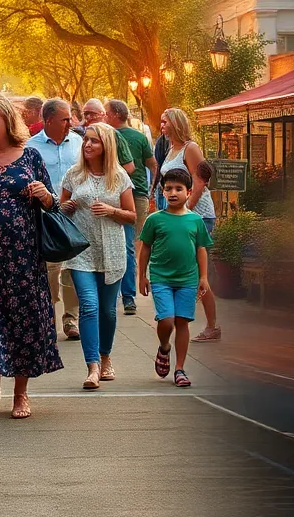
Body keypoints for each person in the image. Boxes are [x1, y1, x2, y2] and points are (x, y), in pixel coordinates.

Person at [0, 92, 63, 420]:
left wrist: (46, 196)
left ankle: (21, 393)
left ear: (7, 120)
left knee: (26, 324)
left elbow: (53, 206)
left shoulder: (30, 157)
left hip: (25, 258)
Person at [59, 123, 135, 388]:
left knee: (108, 312)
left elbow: (132, 215)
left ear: (106, 146)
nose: (87, 145)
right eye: (86, 140)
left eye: (94, 141)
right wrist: (65, 207)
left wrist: (111, 211)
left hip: (112, 252)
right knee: (89, 306)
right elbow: (60, 209)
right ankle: (91, 367)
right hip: (82, 252)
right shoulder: (73, 174)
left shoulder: (120, 177)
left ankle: (105, 358)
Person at [138, 168, 211, 388]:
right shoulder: (154, 220)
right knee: (167, 319)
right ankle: (164, 346)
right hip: (161, 278)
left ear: (189, 192)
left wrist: (204, 277)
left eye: (178, 189)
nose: (173, 193)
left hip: (188, 280)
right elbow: (145, 248)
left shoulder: (195, 221)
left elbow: (201, 249)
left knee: (182, 322)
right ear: (162, 191)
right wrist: (142, 276)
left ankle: (179, 368)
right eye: (168, 188)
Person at [158, 108, 221, 342]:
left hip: (197, 215)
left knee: (197, 272)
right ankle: (195, 320)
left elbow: (201, 181)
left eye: (165, 122)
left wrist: (185, 211)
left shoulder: (190, 148)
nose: (162, 126)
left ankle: (211, 325)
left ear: (175, 123)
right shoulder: (170, 149)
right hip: (179, 214)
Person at [30, 98, 83, 341]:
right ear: (48, 120)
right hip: (47, 216)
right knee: (51, 269)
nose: (70, 123)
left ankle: (71, 319)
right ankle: (48, 317)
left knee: (71, 268)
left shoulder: (79, 143)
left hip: (74, 214)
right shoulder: (32, 148)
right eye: (65, 119)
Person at [105, 100, 157, 315]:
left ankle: (125, 295)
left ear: (116, 114)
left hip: (128, 195)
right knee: (129, 245)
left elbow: (150, 165)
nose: (104, 117)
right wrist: (151, 190)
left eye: (106, 113)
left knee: (124, 244)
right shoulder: (140, 137)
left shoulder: (111, 136)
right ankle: (126, 295)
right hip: (138, 195)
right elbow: (153, 166)